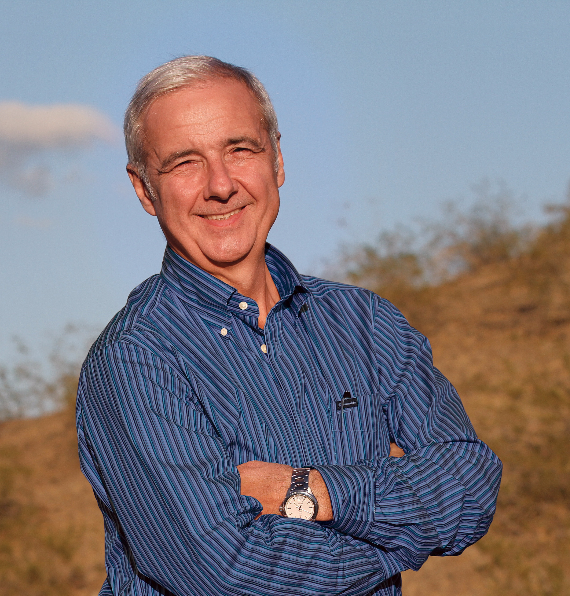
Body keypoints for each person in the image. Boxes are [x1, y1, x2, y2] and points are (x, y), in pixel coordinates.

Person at [76, 56, 502, 596]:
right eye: (184, 163)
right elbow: (224, 574)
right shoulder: (134, 361)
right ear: (144, 191)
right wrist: (405, 536)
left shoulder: (363, 322)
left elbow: (470, 481)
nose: (220, 185)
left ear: (277, 159)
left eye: (240, 149)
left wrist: (311, 491)